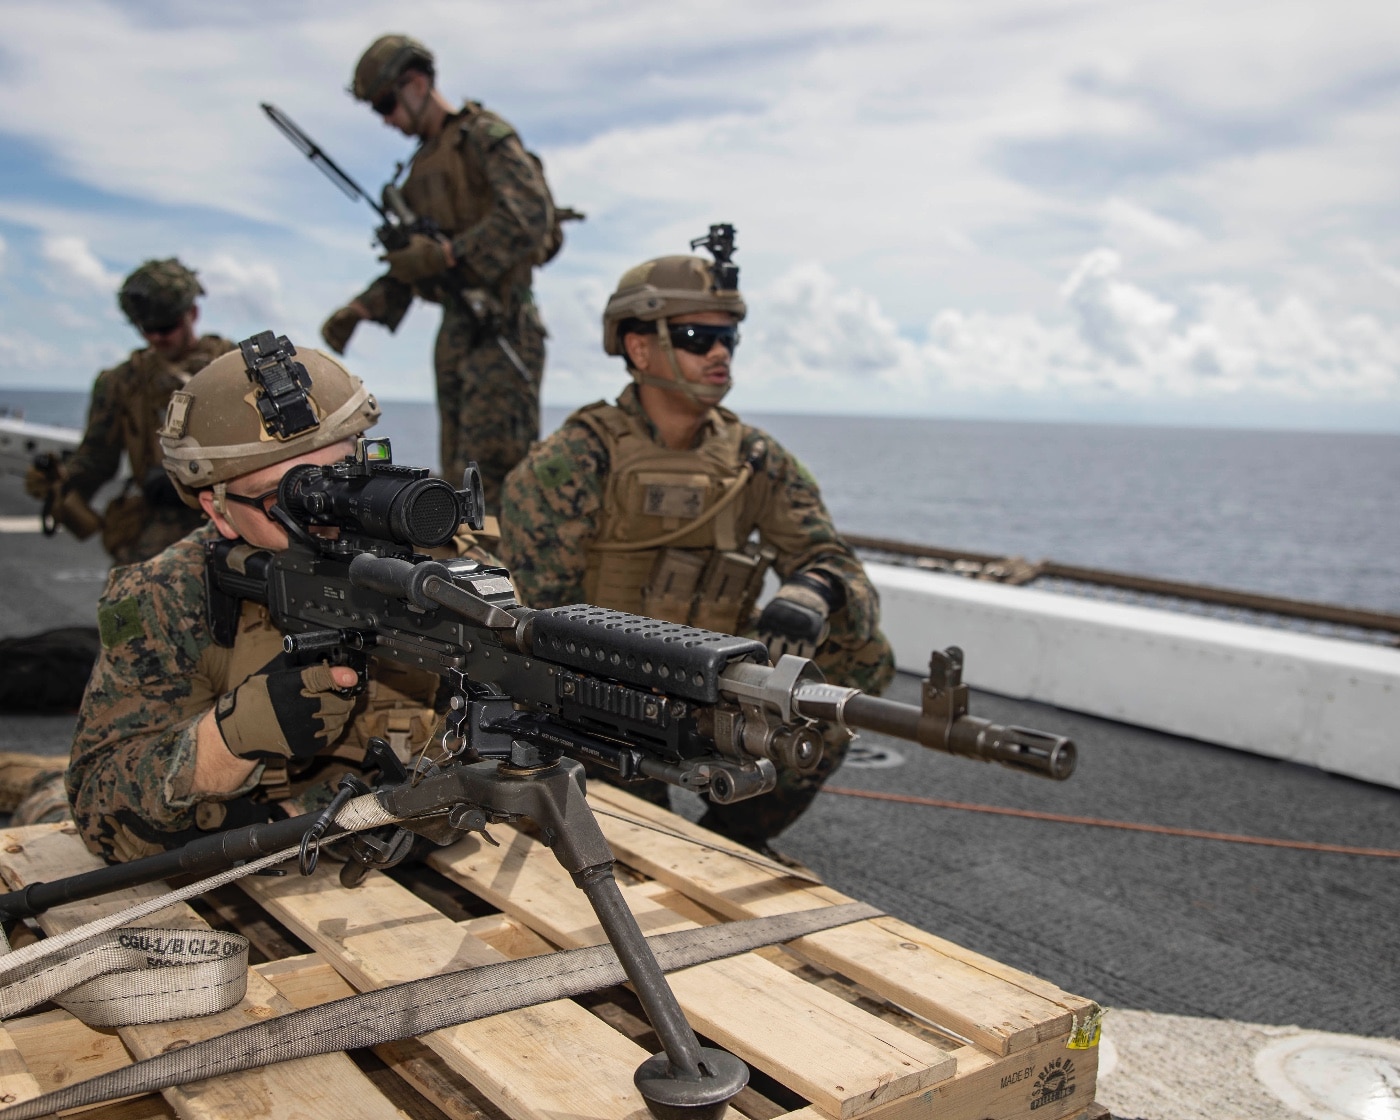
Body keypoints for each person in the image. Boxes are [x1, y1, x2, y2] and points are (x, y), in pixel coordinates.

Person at [499, 238, 896, 852]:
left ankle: (735, 839)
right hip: (602, 703)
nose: (719, 354)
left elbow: (833, 561)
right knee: (633, 848)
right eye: (696, 339)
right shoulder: (573, 462)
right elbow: (537, 630)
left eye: (727, 339)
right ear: (638, 347)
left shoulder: (753, 459)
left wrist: (808, 591)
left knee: (862, 651)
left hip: (720, 685)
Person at [66, 334, 493, 863]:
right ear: (217, 510)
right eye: (282, 499)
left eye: (343, 478)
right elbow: (97, 812)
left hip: (394, 865)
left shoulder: (447, 561)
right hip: (247, 876)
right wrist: (227, 743)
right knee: (39, 807)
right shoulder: (168, 594)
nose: (326, 513)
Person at [320, 34, 558, 511]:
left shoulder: (484, 136)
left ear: (418, 83)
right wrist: (363, 307)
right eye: (377, 109)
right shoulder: (418, 173)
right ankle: (469, 574)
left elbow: (532, 214)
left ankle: (504, 578)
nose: (386, 118)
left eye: (387, 103)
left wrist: (450, 254)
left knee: (496, 473)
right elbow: (413, 268)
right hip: (455, 329)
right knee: (459, 470)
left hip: (500, 323)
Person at [24, 258, 233, 564]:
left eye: (167, 327)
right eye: (147, 329)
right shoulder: (123, 382)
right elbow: (97, 456)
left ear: (193, 313)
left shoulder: (234, 367)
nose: (158, 337)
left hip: (229, 516)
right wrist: (59, 481)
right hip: (155, 529)